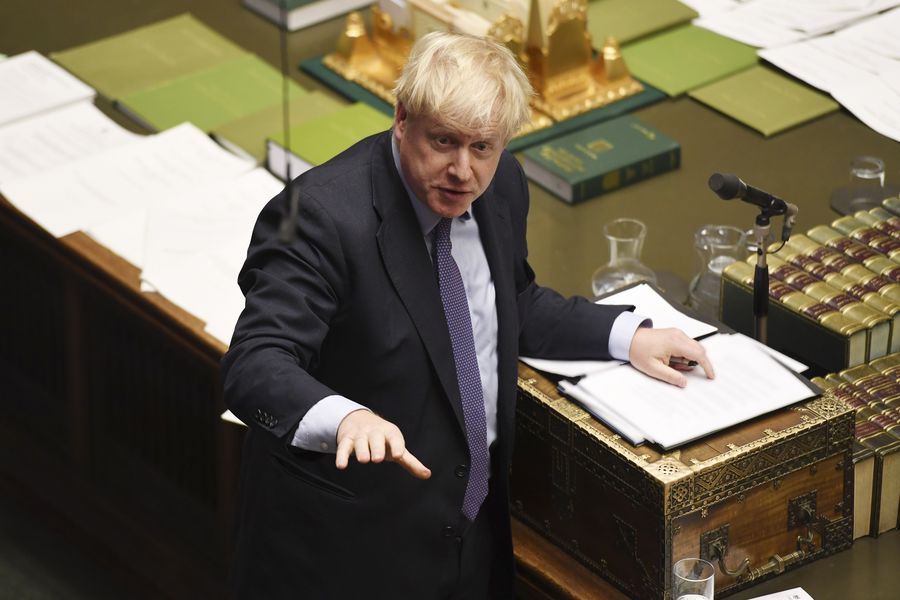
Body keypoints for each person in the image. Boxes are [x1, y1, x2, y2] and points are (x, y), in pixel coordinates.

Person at [222, 31, 713, 599]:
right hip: (346, 551)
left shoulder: (501, 186)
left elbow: (509, 305)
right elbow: (255, 362)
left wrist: (626, 335)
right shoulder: (317, 216)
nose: (463, 171)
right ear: (402, 119)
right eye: (444, 141)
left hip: (468, 538)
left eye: (483, 147)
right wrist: (346, 417)